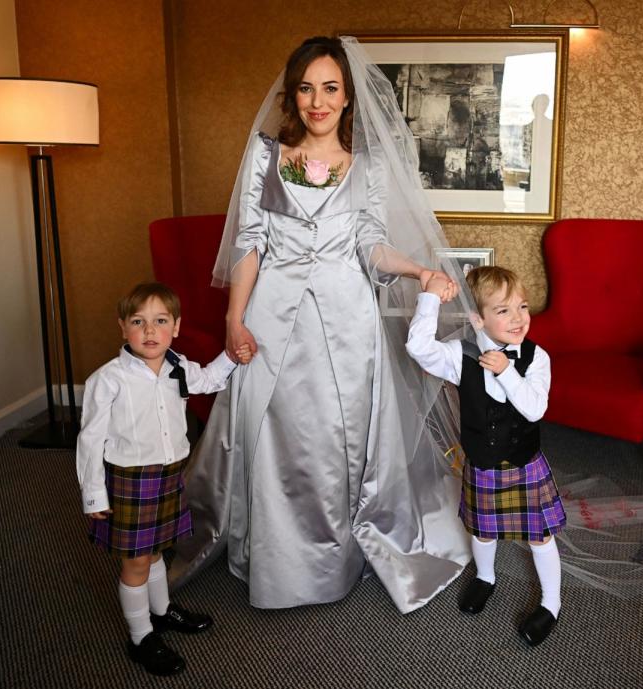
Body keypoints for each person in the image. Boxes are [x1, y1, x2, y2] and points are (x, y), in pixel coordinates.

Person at [170, 36, 474, 612]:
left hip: (346, 317)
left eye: (330, 88)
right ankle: (275, 554)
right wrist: (235, 318)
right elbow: (249, 242)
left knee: (339, 438)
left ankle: (334, 557)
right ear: (292, 95)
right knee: (274, 434)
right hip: (271, 315)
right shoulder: (265, 155)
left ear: (346, 97)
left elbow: (371, 245)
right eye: (306, 88)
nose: (317, 101)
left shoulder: (370, 165)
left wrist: (416, 268)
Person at [76, 282, 252, 676]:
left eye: (159, 321)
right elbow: (89, 440)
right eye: (139, 322)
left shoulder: (179, 366)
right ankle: (141, 637)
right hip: (130, 479)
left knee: (156, 550)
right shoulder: (108, 380)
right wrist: (93, 495)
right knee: (136, 560)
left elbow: (208, 380)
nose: (150, 331)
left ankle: (161, 610)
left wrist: (232, 357)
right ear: (123, 328)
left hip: (169, 473)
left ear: (175, 327)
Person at [406, 266, 566, 647]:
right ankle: (485, 577)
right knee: (481, 529)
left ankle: (551, 603)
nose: (519, 319)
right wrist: (429, 296)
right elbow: (418, 348)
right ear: (477, 318)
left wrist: (508, 370)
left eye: (522, 307)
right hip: (483, 466)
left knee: (540, 538)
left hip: (524, 465)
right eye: (504, 310)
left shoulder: (535, 357)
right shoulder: (461, 356)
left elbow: (533, 409)